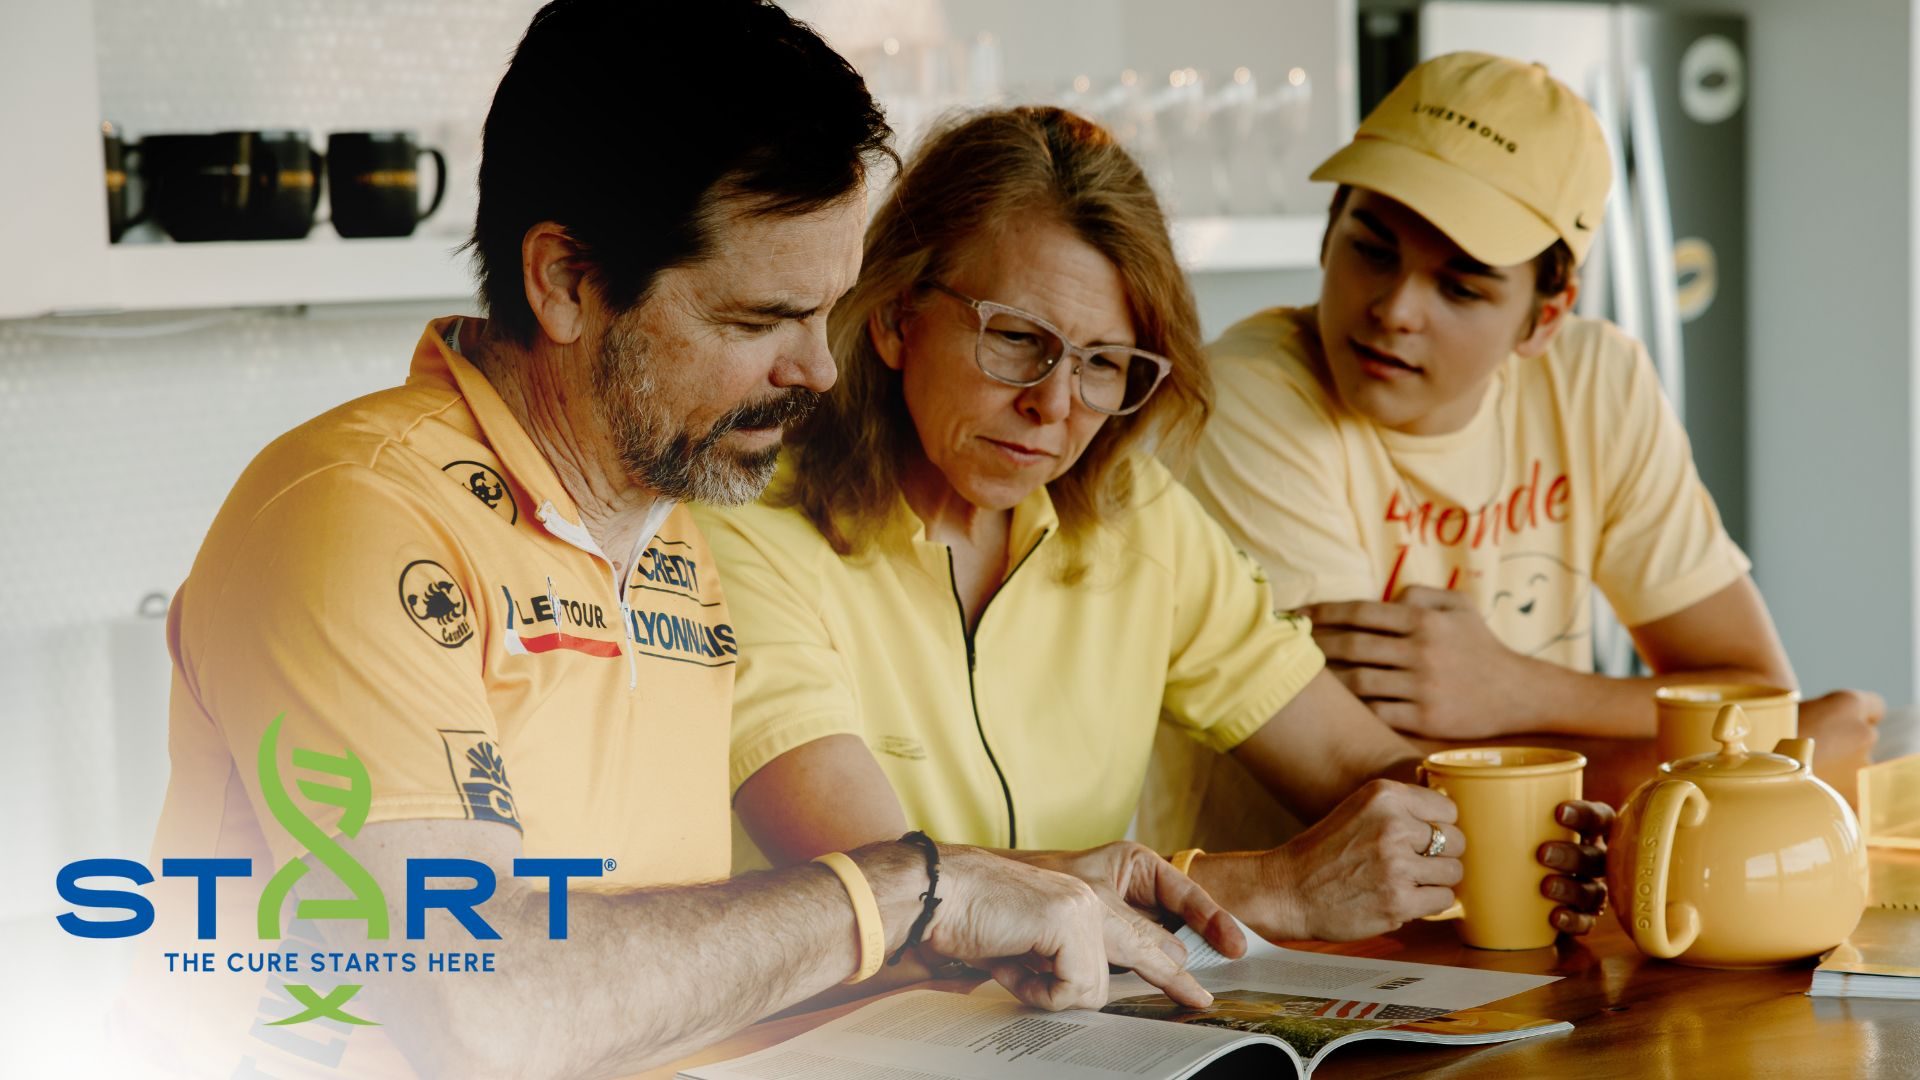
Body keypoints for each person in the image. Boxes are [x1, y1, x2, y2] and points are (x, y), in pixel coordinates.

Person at [130, 5, 1215, 1076]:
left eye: (825, 311)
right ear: (566, 281)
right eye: (759, 319)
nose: (819, 370)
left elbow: (689, 963)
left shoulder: (672, 530)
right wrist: (913, 889)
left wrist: (1027, 890)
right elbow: (479, 1009)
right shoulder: (353, 515)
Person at [695, 105, 1608, 970]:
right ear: (897, 316)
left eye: (1103, 363)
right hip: (838, 1041)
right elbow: (888, 893)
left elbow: (1352, 763)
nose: (1054, 404)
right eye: (1017, 339)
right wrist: (1271, 888)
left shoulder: (1132, 513)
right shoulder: (745, 524)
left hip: (1082, 1037)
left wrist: (1543, 833)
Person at [1142, 51, 1881, 857]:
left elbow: (1751, 685)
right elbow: (1387, 782)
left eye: (1461, 287)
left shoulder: (1597, 381)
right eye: (1373, 249)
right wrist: (1769, 763)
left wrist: (1520, 689)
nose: (1395, 309)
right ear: (1328, 232)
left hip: (1552, 897)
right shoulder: (1245, 398)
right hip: (1285, 922)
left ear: (1544, 318)